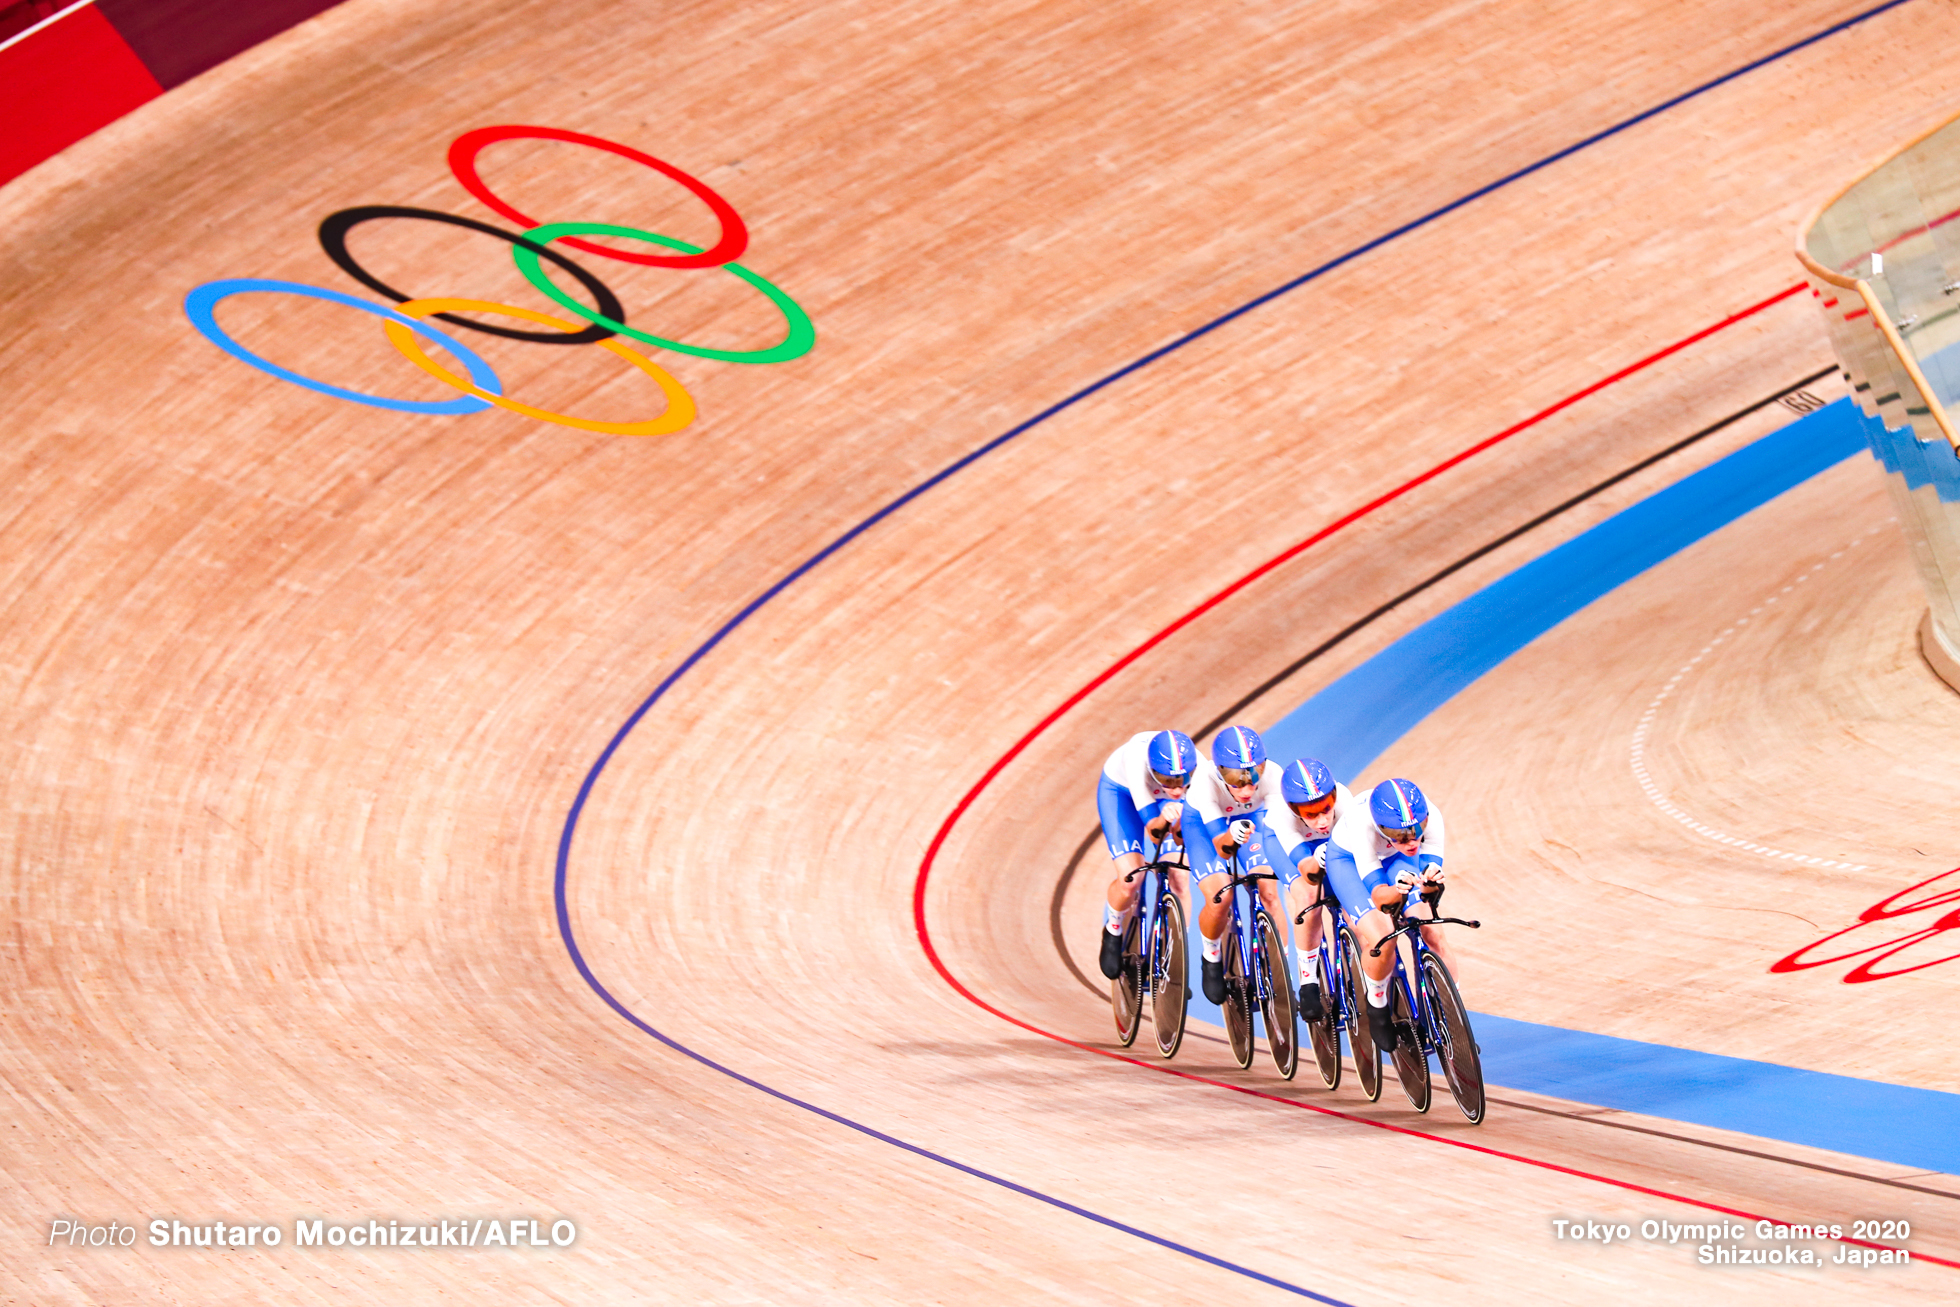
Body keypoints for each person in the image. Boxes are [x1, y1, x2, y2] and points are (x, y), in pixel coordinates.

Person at [1321, 778, 1448, 1054]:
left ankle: (1449, 1017)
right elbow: (1380, 896)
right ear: (1381, 827)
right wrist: (1398, 890)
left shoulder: (1431, 815)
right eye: (1401, 834)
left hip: (1394, 857)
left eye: (1417, 831)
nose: (1412, 840)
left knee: (1433, 931)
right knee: (1383, 939)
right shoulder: (1361, 825)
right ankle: (1377, 1004)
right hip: (1348, 862)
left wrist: (1430, 881)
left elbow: (1428, 882)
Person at [1179, 725, 1293, 1006]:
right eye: (1235, 778)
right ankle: (1211, 954)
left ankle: (1280, 970)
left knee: (1268, 890)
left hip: (1253, 819)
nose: (1246, 787)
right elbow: (1222, 847)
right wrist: (1232, 836)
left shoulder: (1274, 776)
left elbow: (1278, 833)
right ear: (1218, 771)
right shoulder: (1204, 783)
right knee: (1221, 897)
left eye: (1254, 775)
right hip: (1206, 829)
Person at [1096, 729, 1199, 980]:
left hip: (1163, 802)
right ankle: (1114, 928)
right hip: (1122, 793)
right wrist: (1165, 819)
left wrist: (1179, 826)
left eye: (1183, 779)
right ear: (1153, 771)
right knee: (1131, 878)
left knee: (1180, 879)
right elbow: (1154, 832)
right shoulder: (1135, 763)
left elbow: (1183, 834)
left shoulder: (1201, 770)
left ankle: (1174, 952)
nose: (1176, 789)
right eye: (1168, 780)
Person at [1262, 757, 1354, 1023]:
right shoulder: (1281, 813)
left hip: (1330, 847)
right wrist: (1318, 859)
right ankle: (1308, 982)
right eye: (1311, 814)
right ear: (1294, 809)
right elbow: (1308, 870)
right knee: (1309, 895)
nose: (1323, 820)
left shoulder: (1345, 801)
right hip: (1290, 848)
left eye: (1326, 809)